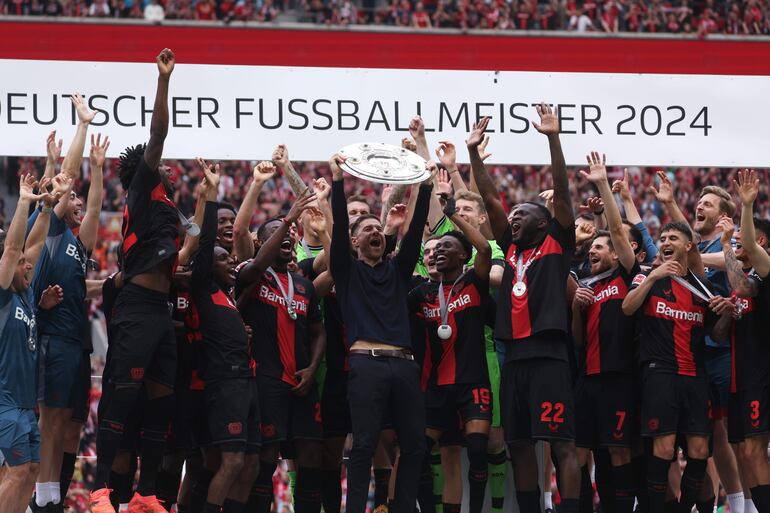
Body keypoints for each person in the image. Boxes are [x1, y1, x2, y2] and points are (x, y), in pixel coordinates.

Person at [469, 107, 580, 513]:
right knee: (519, 445)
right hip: (514, 356)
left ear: (544, 222)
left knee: (562, 444)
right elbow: (489, 199)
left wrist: (553, 138)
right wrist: (474, 155)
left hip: (549, 354)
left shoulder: (556, 244)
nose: (512, 218)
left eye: (522, 215)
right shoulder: (511, 249)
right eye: (512, 215)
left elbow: (563, 194)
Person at [90, 48, 177, 513]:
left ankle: (145, 495)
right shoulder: (144, 187)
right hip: (139, 310)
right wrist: (163, 80)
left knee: (160, 403)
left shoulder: (166, 205)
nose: (166, 163)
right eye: (159, 161)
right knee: (122, 398)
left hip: (161, 313)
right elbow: (158, 133)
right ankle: (101, 489)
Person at [329, 150, 435, 513]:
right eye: (366, 230)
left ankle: (402, 508)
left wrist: (426, 185)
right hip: (366, 362)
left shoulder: (398, 271)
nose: (374, 231)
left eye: (379, 229)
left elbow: (417, 229)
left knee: (416, 444)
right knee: (363, 443)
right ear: (354, 242)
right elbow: (339, 225)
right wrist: (339, 181)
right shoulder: (345, 271)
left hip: (404, 365)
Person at [621, 221, 734, 513]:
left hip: (696, 375)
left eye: (673, 237)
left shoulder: (702, 287)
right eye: (662, 238)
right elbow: (627, 307)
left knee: (698, 452)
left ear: (688, 246)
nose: (665, 242)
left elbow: (717, 334)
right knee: (665, 449)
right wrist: (651, 277)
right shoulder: (647, 276)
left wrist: (726, 315)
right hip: (660, 373)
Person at [31, 97, 106, 513]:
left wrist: (98, 170)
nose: (77, 201)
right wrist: (81, 127)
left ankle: (54, 494)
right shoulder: (53, 230)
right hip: (54, 337)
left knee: (74, 425)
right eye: (70, 198)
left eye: (76, 199)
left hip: (78, 344)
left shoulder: (78, 245)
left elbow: (94, 204)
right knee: (53, 419)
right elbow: (66, 177)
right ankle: (44, 497)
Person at [235, 187, 324, 513]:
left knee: (311, 456)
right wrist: (287, 220)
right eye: (277, 234)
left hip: (301, 380)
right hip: (265, 379)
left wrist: (313, 368)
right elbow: (256, 266)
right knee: (266, 457)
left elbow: (318, 331)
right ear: (262, 243)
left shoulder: (304, 286)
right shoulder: (248, 273)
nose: (287, 237)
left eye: (290, 234)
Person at [410, 198, 494, 513]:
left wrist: (452, 217)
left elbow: (485, 250)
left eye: (448, 247)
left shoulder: (474, 282)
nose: (440, 251)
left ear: (463, 256)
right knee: (417, 452)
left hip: (473, 384)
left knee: (476, 449)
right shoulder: (421, 294)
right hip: (435, 388)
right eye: (436, 248)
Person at [190, 160, 261, 513]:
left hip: (246, 382)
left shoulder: (229, 297)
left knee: (250, 465)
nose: (230, 263)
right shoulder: (204, 288)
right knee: (230, 463)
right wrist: (213, 193)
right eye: (223, 259)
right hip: (225, 383)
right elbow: (205, 246)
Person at [571, 152, 639, 513]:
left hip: (618, 378)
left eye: (599, 247)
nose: (592, 251)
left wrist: (602, 185)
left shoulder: (627, 275)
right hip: (587, 379)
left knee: (617, 453)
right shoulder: (588, 283)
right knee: (583, 454)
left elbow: (615, 231)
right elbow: (579, 340)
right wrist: (576, 310)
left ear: (617, 254)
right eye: (592, 248)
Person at [0, 173, 68, 513]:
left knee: (29, 472)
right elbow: (14, 248)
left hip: (26, 406)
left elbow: (35, 246)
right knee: (15, 473)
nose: (29, 264)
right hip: (6, 405)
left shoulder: (26, 297)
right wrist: (26, 201)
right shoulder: (2, 295)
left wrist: (47, 207)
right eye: (21, 263)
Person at [723, 170, 770, 513]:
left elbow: (749, 252)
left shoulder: (765, 269)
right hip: (741, 377)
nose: (739, 243)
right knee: (745, 452)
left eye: (745, 239)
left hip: (761, 375)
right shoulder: (747, 273)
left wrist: (746, 205)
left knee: (755, 451)